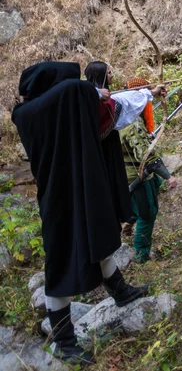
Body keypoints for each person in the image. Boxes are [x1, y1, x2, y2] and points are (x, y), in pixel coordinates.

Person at [11, 62, 149, 366]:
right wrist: (94, 90)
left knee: (97, 237)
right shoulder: (32, 112)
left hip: (73, 186)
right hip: (59, 197)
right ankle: (64, 342)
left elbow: (97, 113)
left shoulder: (53, 108)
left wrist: (127, 95)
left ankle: (121, 292)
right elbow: (76, 90)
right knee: (59, 265)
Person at [85, 61, 166, 234]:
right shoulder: (97, 103)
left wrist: (151, 93)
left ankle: (123, 222)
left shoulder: (92, 100)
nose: (112, 76)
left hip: (110, 161)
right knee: (143, 210)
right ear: (100, 77)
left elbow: (125, 98)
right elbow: (124, 101)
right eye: (108, 73)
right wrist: (150, 93)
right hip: (116, 163)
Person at [120, 78, 178, 264]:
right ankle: (141, 255)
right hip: (138, 175)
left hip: (128, 174)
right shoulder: (132, 124)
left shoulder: (120, 116)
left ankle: (129, 218)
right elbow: (148, 157)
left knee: (155, 184)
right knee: (148, 214)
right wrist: (169, 176)